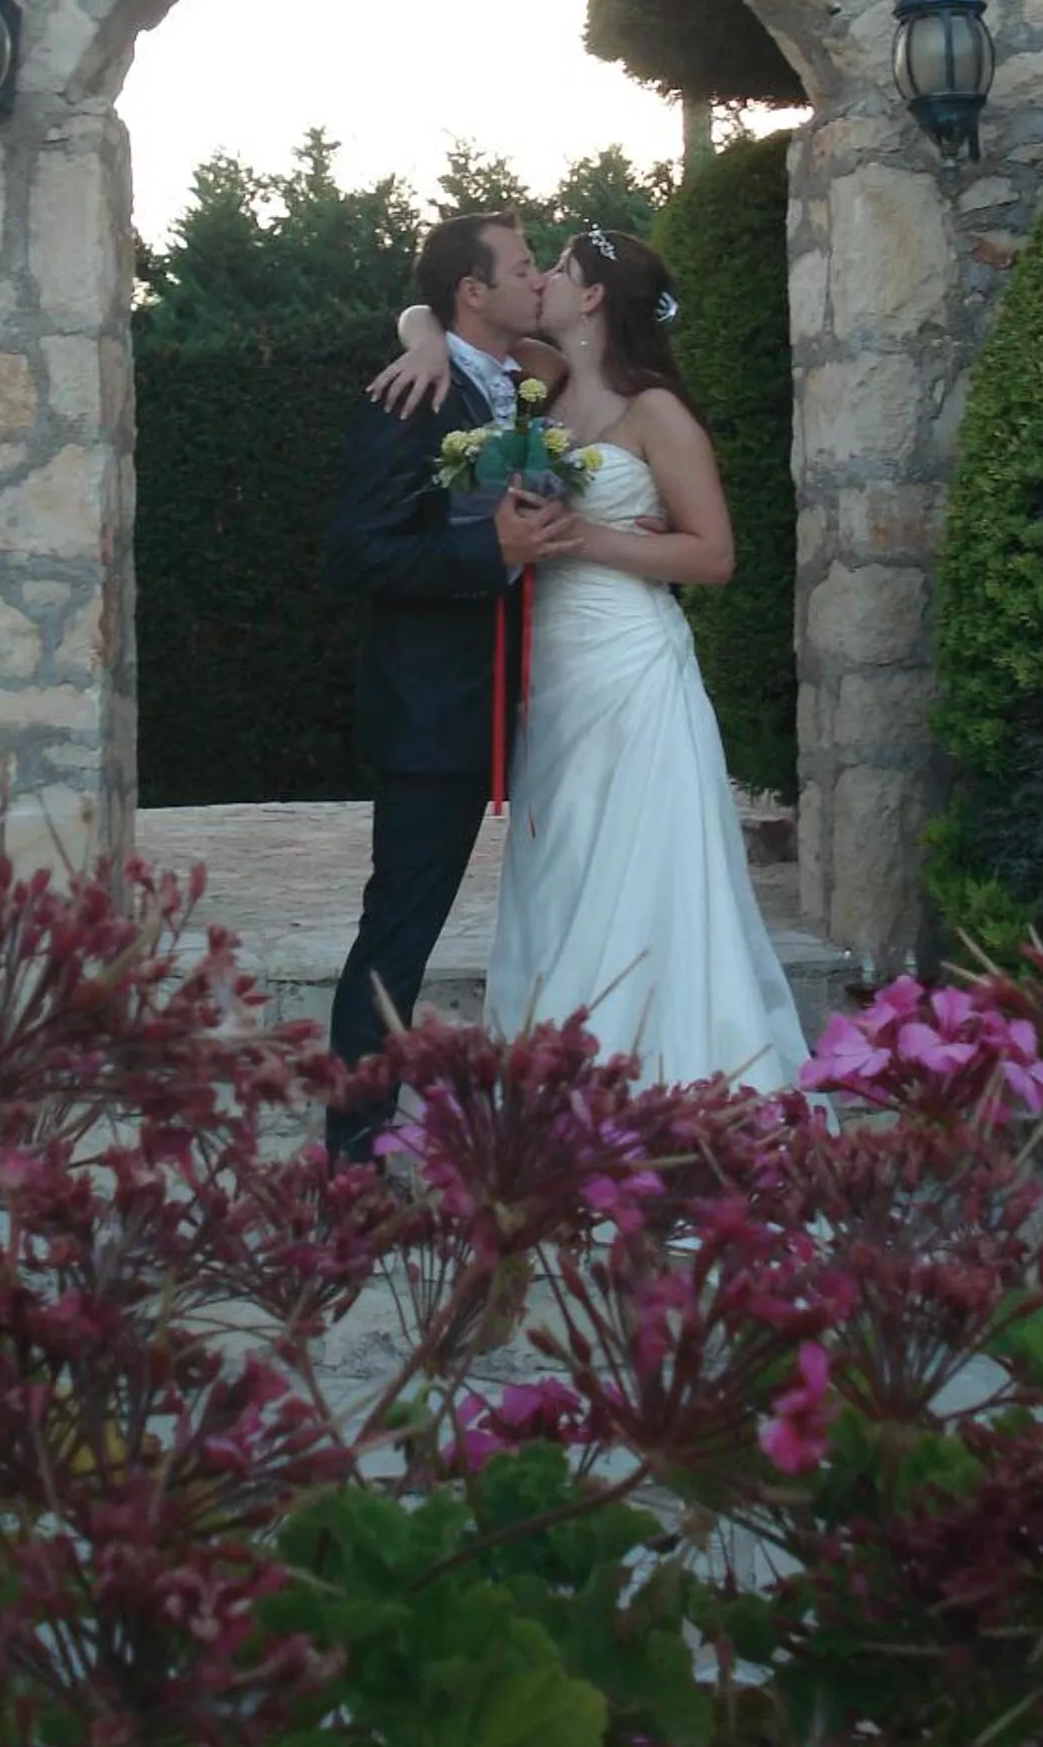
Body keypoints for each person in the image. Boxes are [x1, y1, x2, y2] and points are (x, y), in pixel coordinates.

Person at [371, 229, 809, 1095]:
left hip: (631, 664)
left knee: (638, 860)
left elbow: (714, 556)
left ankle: (655, 1072)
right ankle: (557, 1073)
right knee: (564, 858)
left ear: (596, 297)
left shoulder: (658, 412)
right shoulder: (548, 382)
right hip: (553, 667)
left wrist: (591, 537)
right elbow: (429, 311)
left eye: (561, 272)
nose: (544, 285)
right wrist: (423, 334)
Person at [320, 212, 572, 1164]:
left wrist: (419, 321)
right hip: (434, 713)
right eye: (521, 266)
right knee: (399, 930)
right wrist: (487, 550)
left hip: (530, 701)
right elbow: (356, 551)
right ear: (474, 289)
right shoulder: (409, 398)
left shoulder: (517, 383)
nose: (538, 276)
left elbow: (555, 345)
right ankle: (353, 1145)